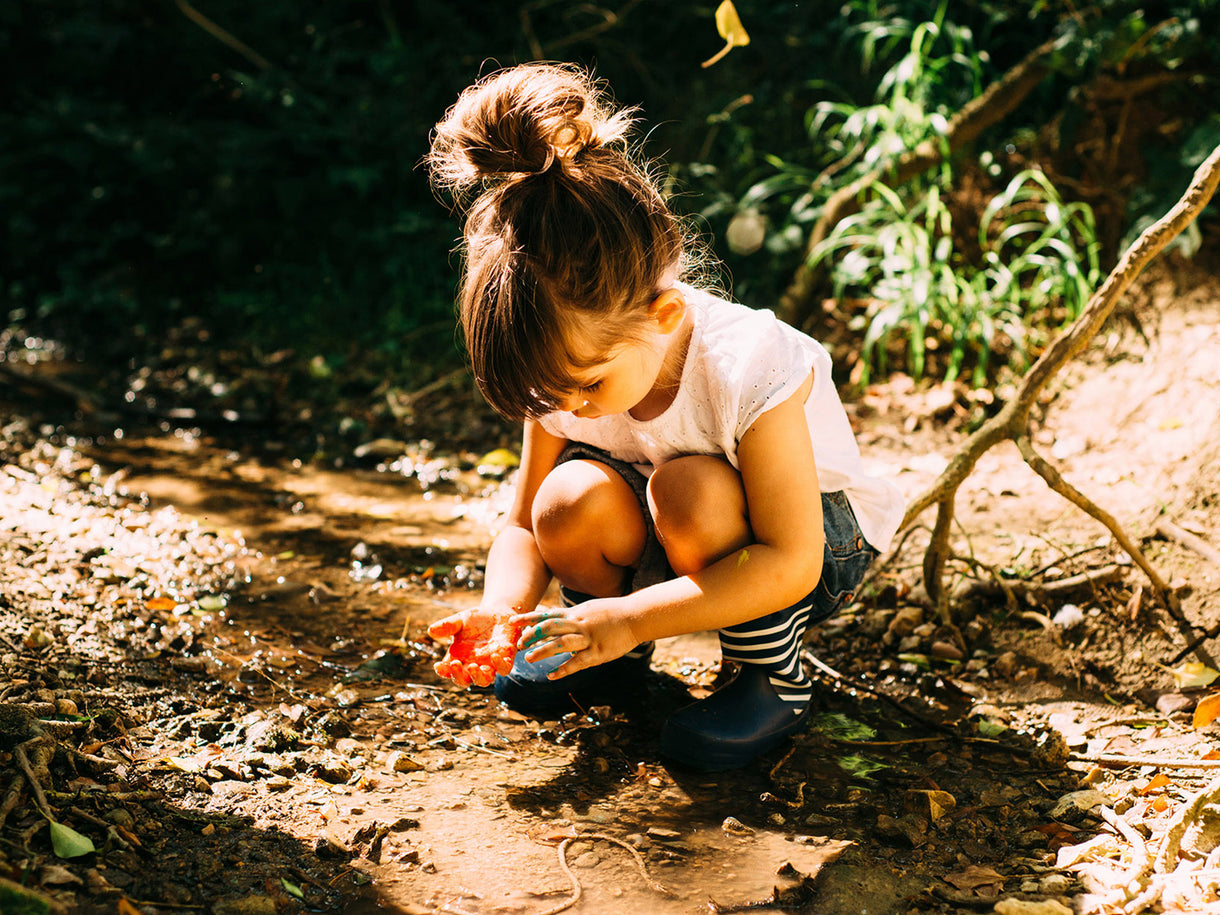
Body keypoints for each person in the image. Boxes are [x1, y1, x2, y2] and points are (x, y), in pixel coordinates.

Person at [424, 62, 904, 771]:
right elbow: (525, 524)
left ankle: (768, 675)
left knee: (691, 488)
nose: (564, 409)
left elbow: (792, 560)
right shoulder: (566, 374)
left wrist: (628, 616)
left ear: (665, 315)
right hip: (675, 523)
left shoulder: (748, 364)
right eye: (545, 394)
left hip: (807, 547)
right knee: (567, 500)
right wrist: (502, 611)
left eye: (584, 387)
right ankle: (602, 661)